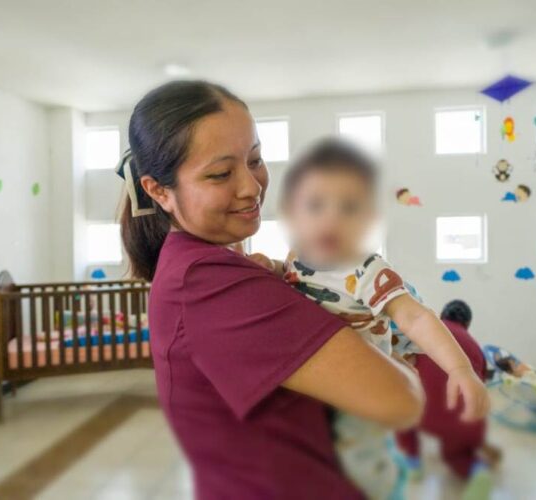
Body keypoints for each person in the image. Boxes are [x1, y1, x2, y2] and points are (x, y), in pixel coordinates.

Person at [116, 80, 425, 500]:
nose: (252, 186)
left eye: (255, 159)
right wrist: (397, 355)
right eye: (221, 174)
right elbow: (401, 401)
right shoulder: (210, 284)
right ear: (158, 190)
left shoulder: (208, 267)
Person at [249, 139, 489, 497]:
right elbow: (298, 279)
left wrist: (460, 369)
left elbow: (415, 317)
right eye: (315, 206)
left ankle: (383, 487)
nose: (330, 218)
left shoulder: (367, 269)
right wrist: (273, 266)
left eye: (349, 207)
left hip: (361, 384)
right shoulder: (299, 254)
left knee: (358, 461)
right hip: (318, 378)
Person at [395, 300, 499, 500]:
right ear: (467, 324)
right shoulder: (476, 347)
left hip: (423, 414)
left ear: (442, 315)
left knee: (403, 411)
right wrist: (480, 441)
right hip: (465, 420)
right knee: (455, 455)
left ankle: (412, 463)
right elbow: (479, 389)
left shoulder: (424, 332)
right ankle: (477, 470)